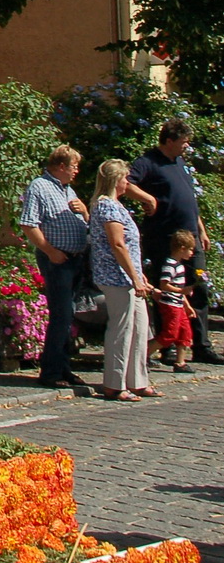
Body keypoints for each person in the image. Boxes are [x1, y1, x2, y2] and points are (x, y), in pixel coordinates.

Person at [129, 121, 221, 365]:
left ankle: (200, 345)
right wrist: (146, 197)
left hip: (191, 239)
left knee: (198, 286)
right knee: (167, 291)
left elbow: (189, 199)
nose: (186, 146)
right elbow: (125, 183)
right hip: (165, 240)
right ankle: (166, 346)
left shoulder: (180, 163)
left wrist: (201, 230)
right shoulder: (148, 162)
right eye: (183, 141)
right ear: (169, 140)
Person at [19, 145, 90, 390]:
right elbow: (29, 224)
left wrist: (85, 213)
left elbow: (79, 222)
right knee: (61, 316)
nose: (76, 171)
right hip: (57, 260)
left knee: (68, 315)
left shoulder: (66, 188)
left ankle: (64, 367)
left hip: (75, 259)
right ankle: (50, 371)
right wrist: (51, 251)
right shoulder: (40, 186)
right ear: (61, 166)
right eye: (74, 166)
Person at [90, 158, 155, 402]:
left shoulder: (117, 206)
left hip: (129, 276)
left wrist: (140, 277)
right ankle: (114, 384)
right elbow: (117, 244)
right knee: (122, 328)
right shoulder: (107, 206)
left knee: (139, 326)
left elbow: (129, 246)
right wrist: (133, 277)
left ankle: (137, 380)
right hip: (115, 276)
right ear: (116, 180)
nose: (127, 183)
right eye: (125, 178)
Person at [148, 229, 198, 375]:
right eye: (190, 250)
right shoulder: (170, 265)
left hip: (178, 304)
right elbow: (164, 285)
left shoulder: (180, 265)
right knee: (170, 333)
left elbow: (180, 289)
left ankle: (180, 362)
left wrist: (187, 306)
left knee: (185, 332)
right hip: (170, 304)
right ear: (182, 249)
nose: (191, 253)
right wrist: (181, 292)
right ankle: (144, 354)